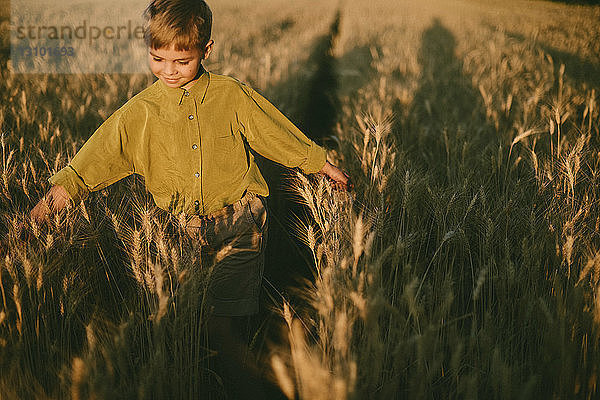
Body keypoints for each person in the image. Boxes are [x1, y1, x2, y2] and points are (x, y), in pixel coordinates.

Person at [30, 0, 352, 398]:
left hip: (240, 223)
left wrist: (320, 164)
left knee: (223, 321)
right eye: (157, 58)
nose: (168, 70)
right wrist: (49, 204)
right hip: (178, 231)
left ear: (207, 49)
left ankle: (241, 386)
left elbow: (276, 133)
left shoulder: (231, 96)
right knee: (185, 320)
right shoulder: (140, 113)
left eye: (181, 61)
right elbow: (93, 161)